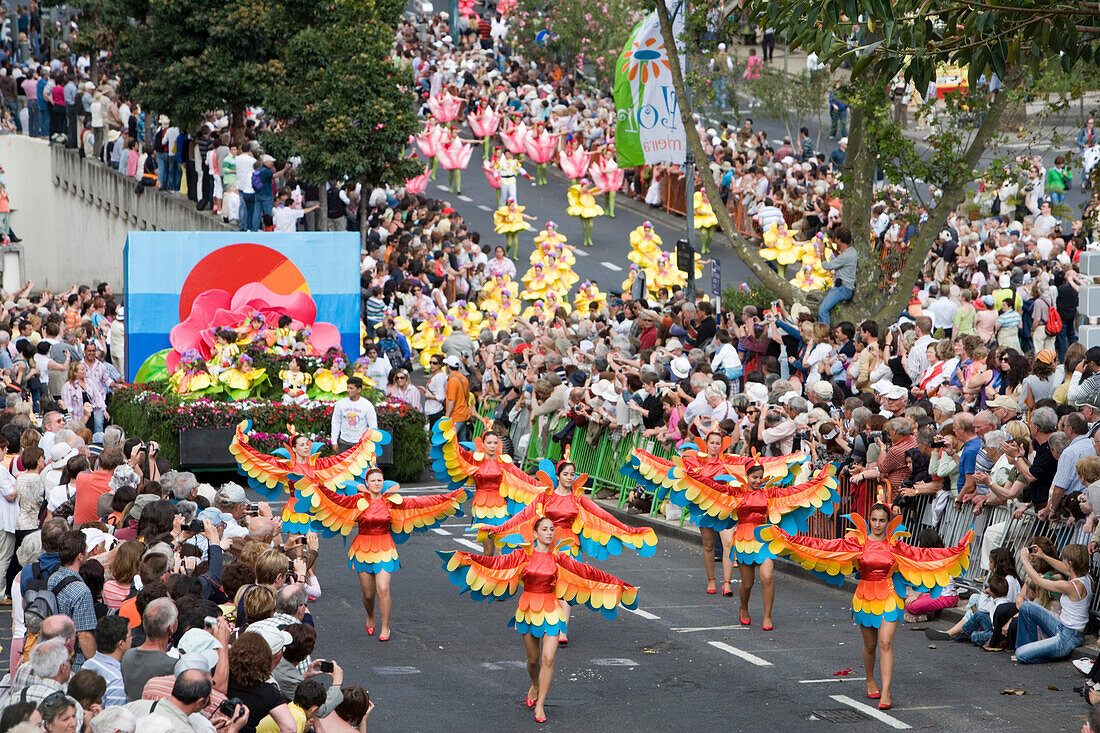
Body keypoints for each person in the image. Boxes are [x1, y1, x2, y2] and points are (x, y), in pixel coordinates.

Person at [760, 504, 972, 710]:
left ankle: (887, 692)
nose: (877, 524)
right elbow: (823, 546)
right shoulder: (857, 544)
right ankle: (870, 680)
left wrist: (957, 550)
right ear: (868, 520)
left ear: (889, 523)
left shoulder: (896, 546)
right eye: (874, 520)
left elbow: (926, 555)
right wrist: (789, 539)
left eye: (882, 520)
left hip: (889, 597)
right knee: (870, 646)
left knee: (886, 643)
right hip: (864, 598)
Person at [439, 515, 638, 724]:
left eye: (552, 529)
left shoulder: (560, 558)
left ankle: (541, 705)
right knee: (533, 660)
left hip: (551, 610)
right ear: (535, 533)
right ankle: (535, 684)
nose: (549, 532)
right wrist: (469, 558)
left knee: (549, 658)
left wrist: (618, 584)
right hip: (527, 610)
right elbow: (495, 564)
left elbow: (590, 574)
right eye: (544, 529)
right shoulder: (522, 555)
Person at [662, 461, 839, 630]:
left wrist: (818, 481)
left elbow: (796, 490)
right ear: (747, 476)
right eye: (754, 477)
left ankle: (767, 616)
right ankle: (744, 608)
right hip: (744, 541)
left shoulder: (770, 494)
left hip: (764, 539)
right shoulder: (736, 494)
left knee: (768, 577)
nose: (758, 481)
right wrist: (690, 475)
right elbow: (712, 486)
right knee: (747, 584)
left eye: (760, 477)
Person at [297, 467, 466, 640]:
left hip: (385, 547)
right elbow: (336, 499)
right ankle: (370, 615)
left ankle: (385, 627)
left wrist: (448, 497)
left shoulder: (392, 501)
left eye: (380, 480)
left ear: (383, 482)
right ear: (367, 483)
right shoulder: (357, 500)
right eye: (373, 480)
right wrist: (318, 485)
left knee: (383, 589)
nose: (377, 483)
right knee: (368, 595)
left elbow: (420, 502)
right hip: (362, 548)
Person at [229, 424, 389, 534]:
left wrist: (363, 445)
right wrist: (242, 444)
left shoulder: (319, 465)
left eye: (307, 444)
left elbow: (343, 460)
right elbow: (261, 460)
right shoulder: (286, 467)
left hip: (312, 509)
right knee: (295, 545)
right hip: (294, 510)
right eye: (302, 444)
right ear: (294, 448)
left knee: (312, 549)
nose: (306, 447)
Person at [430, 419, 541, 555]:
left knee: (502, 546)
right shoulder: (474, 460)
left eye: (495, 442)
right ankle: (488, 575)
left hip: (501, 506)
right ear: (483, 444)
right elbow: (458, 454)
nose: (492, 446)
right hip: (481, 506)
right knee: (488, 550)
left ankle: (503, 575)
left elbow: (522, 477)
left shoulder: (504, 462)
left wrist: (540, 487)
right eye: (489, 443)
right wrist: (451, 434)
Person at [1014, 543, 1092, 663]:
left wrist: (1025, 561)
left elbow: (1038, 581)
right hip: (1063, 628)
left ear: (1070, 563)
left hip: (1067, 638)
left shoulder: (1071, 586)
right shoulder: (1087, 578)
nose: (1063, 562)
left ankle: (1031, 653)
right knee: (1027, 607)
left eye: (1065, 560)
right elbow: (1064, 568)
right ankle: (1027, 648)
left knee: (1020, 655)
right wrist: (1043, 556)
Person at [818, 227, 856, 326]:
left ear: (839, 240)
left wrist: (822, 252)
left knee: (822, 310)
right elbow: (840, 259)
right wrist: (832, 249)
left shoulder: (845, 256)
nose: (834, 241)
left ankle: (825, 335)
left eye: (835, 239)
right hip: (846, 288)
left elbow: (825, 266)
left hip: (842, 289)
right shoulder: (852, 251)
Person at [329, 377, 378, 453]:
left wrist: (372, 444)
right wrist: (334, 441)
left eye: (351, 388)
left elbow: (373, 426)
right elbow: (336, 422)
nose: (348, 390)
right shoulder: (341, 403)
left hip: (360, 444)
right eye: (347, 388)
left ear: (359, 390)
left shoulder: (367, 405)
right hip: (344, 443)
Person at [443, 355, 472, 443]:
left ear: (448, 366)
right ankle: (465, 457)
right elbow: (467, 397)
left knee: (450, 441)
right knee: (463, 441)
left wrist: (446, 417)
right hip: (464, 414)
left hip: (455, 416)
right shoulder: (463, 378)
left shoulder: (452, 381)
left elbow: (452, 401)